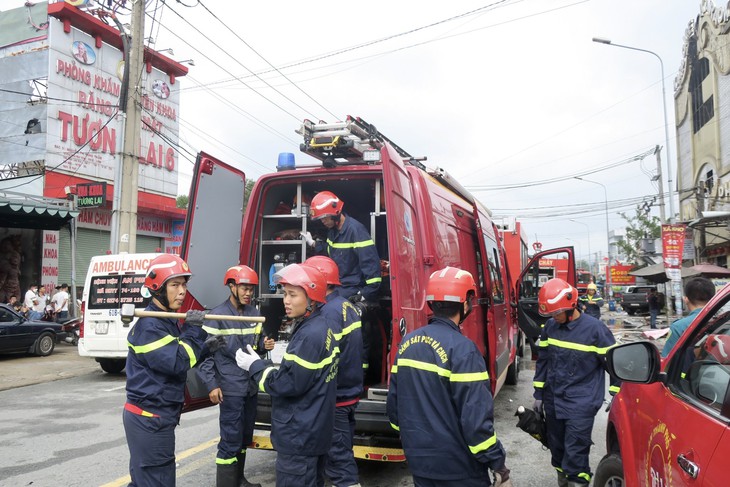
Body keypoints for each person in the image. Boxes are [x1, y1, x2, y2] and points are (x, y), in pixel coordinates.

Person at [387, 267, 511, 487]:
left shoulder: (407, 344)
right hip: (460, 469)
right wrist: (498, 463)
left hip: (420, 464)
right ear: (465, 304)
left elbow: (395, 411)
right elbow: (476, 424)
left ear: (431, 303)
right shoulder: (465, 351)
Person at [235, 264, 338, 487]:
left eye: (292, 294)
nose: (286, 301)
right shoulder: (321, 326)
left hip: (299, 436)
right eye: (284, 294)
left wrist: (255, 367)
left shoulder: (309, 335)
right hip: (313, 431)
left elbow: (288, 383)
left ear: (311, 298)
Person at [123, 254, 222, 486]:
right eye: (175, 284)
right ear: (157, 288)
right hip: (150, 419)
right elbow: (178, 362)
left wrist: (205, 349)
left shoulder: (165, 321)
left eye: (184, 285)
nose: (182, 291)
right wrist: (194, 329)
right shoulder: (150, 327)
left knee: (145, 481)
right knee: (156, 481)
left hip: (157, 417)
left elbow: (179, 357)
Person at [533, 278, 619, 487]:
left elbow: (615, 364)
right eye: (550, 314)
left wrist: (616, 393)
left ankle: (577, 482)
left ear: (571, 305)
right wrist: (538, 394)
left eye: (556, 313)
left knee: (575, 453)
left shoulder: (596, 331)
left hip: (581, 403)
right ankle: (563, 480)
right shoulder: (550, 327)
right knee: (557, 450)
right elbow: (543, 360)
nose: (553, 317)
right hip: (553, 400)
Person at [198, 265, 273, 487]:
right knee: (230, 440)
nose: (248, 293)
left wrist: (263, 344)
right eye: (244, 288)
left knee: (243, 437)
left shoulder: (254, 314)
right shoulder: (216, 316)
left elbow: (254, 347)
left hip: (249, 386)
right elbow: (205, 357)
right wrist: (212, 385)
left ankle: (239, 480)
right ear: (231, 287)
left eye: (251, 289)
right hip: (230, 387)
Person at [305, 256, 364, 487]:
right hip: (348, 394)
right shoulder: (345, 306)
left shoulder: (328, 312)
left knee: (339, 464)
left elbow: (323, 358)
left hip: (336, 399)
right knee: (341, 453)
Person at [300, 191, 381, 304]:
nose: (323, 221)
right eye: (321, 219)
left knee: (328, 307)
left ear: (336, 213)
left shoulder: (356, 230)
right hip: (338, 285)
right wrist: (313, 243)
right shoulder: (332, 231)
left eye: (325, 217)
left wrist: (367, 293)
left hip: (352, 287)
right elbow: (330, 252)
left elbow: (370, 263)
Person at [661, 277, 716, 357]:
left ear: (686, 299)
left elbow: (668, 359)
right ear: (714, 298)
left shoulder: (678, 326)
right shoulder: (723, 321)